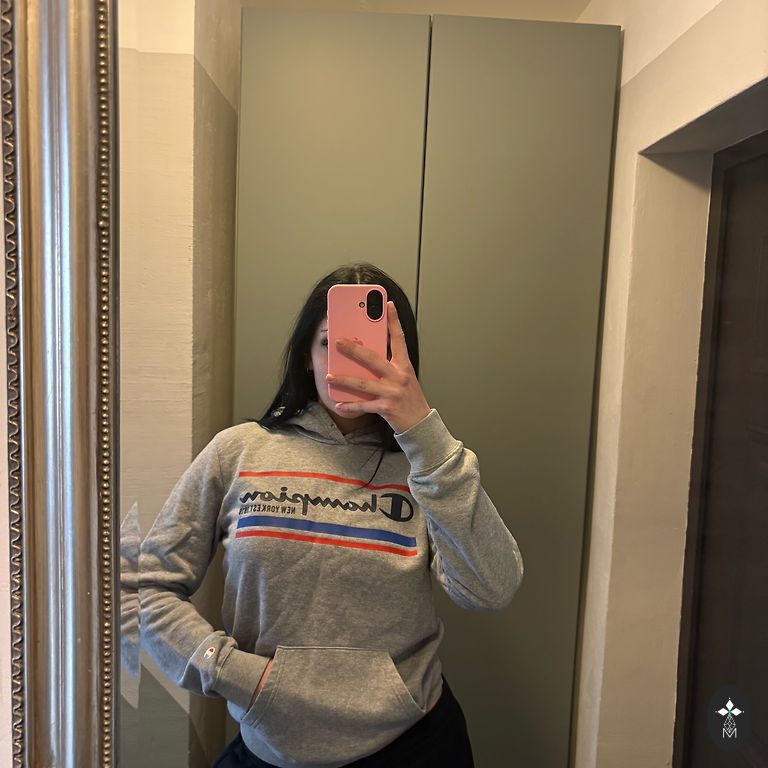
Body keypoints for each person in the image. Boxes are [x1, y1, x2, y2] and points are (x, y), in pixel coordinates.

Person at [139, 262, 525, 768]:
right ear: (306, 355)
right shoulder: (237, 452)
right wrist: (229, 671)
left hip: (414, 745)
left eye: (376, 348)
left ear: (403, 361)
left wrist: (424, 433)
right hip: (270, 744)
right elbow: (147, 586)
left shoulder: (431, 466)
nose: (352, 363)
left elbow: (492, 588)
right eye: (332, 344)